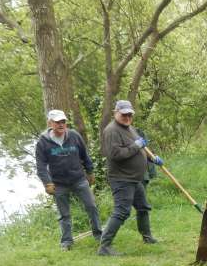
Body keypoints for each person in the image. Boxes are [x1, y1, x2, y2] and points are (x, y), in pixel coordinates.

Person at [97, 100, 164, 256]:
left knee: (143, 207)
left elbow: (142, 150)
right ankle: (104, 247)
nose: (127, 117)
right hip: (122, 179)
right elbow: (116, 155)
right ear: (116, 113)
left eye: (130, 114)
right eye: (124, 114)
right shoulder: (112, 131)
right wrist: (136, 146)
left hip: (135, 178)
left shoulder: (130, 128)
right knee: (122, 212)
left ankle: (147, 237)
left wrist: (152, 158)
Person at [35, 109, 102, 250]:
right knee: (64, 214)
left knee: (91, 206)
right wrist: (47, 183)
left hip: (79, 179)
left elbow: (85, 155)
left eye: (63, 121)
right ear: (50, 123)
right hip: (59, 184)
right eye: (57, 122)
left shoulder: (74, 136)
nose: (61, 124)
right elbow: (41, 166)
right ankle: (66, 242)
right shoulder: (43, 142)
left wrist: (90, 172)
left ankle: (99, 234)